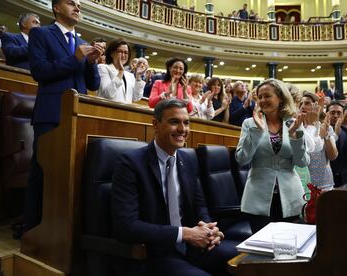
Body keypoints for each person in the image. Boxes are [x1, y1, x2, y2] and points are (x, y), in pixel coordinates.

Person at [111, 99, 238, 275]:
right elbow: (126, 226)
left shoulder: (188, 159)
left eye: (186, 122)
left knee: (247, 260)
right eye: (174, 122)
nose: (182, 129)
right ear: (155, 124)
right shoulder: (130, 163)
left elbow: (199, 205)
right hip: (155, 254)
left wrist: (210, 230)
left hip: (192, 246)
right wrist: (184, 234)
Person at [26, 0, 103, 232]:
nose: (78, 7)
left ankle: (60, 230)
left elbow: (93, 83)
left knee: (70, 174)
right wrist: (75, 59)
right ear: (56, 7)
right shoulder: (41, 33)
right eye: (71, 3)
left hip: (77, 116)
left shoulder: (81, 43)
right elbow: (39, 72)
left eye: (80, 4)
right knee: (43, 173)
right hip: (50, 115)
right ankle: (32, 230)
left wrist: (90, 63)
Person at [235, 78, 309, 233]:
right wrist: (257, 132)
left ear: (280, 98)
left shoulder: (293, 122)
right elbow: (242, 159)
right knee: (262, 250)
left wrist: (295, 137)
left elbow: (302, 162)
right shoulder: (249, 123)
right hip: (258, 198)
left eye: (267, 96)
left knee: (290, 245)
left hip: (290, 197)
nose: (262, 100)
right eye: (259, 97)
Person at [299, 92, 337, 191]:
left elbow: (333, 156)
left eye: (307, 103)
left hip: (323, 183)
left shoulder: (324, 126)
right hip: (302, 183)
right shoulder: (296, 126)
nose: (302, 106)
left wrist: (326, 135)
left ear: (317, 107)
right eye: (301, 104)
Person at [97, 38, 146, 104]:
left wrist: (138, 77)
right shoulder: (103, 68)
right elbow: (106, 94)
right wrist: (120, 72)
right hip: (107, 111)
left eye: (126, 52)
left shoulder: (130, 75)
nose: (123, 55)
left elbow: (136, 98)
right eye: (120, 51)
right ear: (111, 53)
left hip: (125, 112)